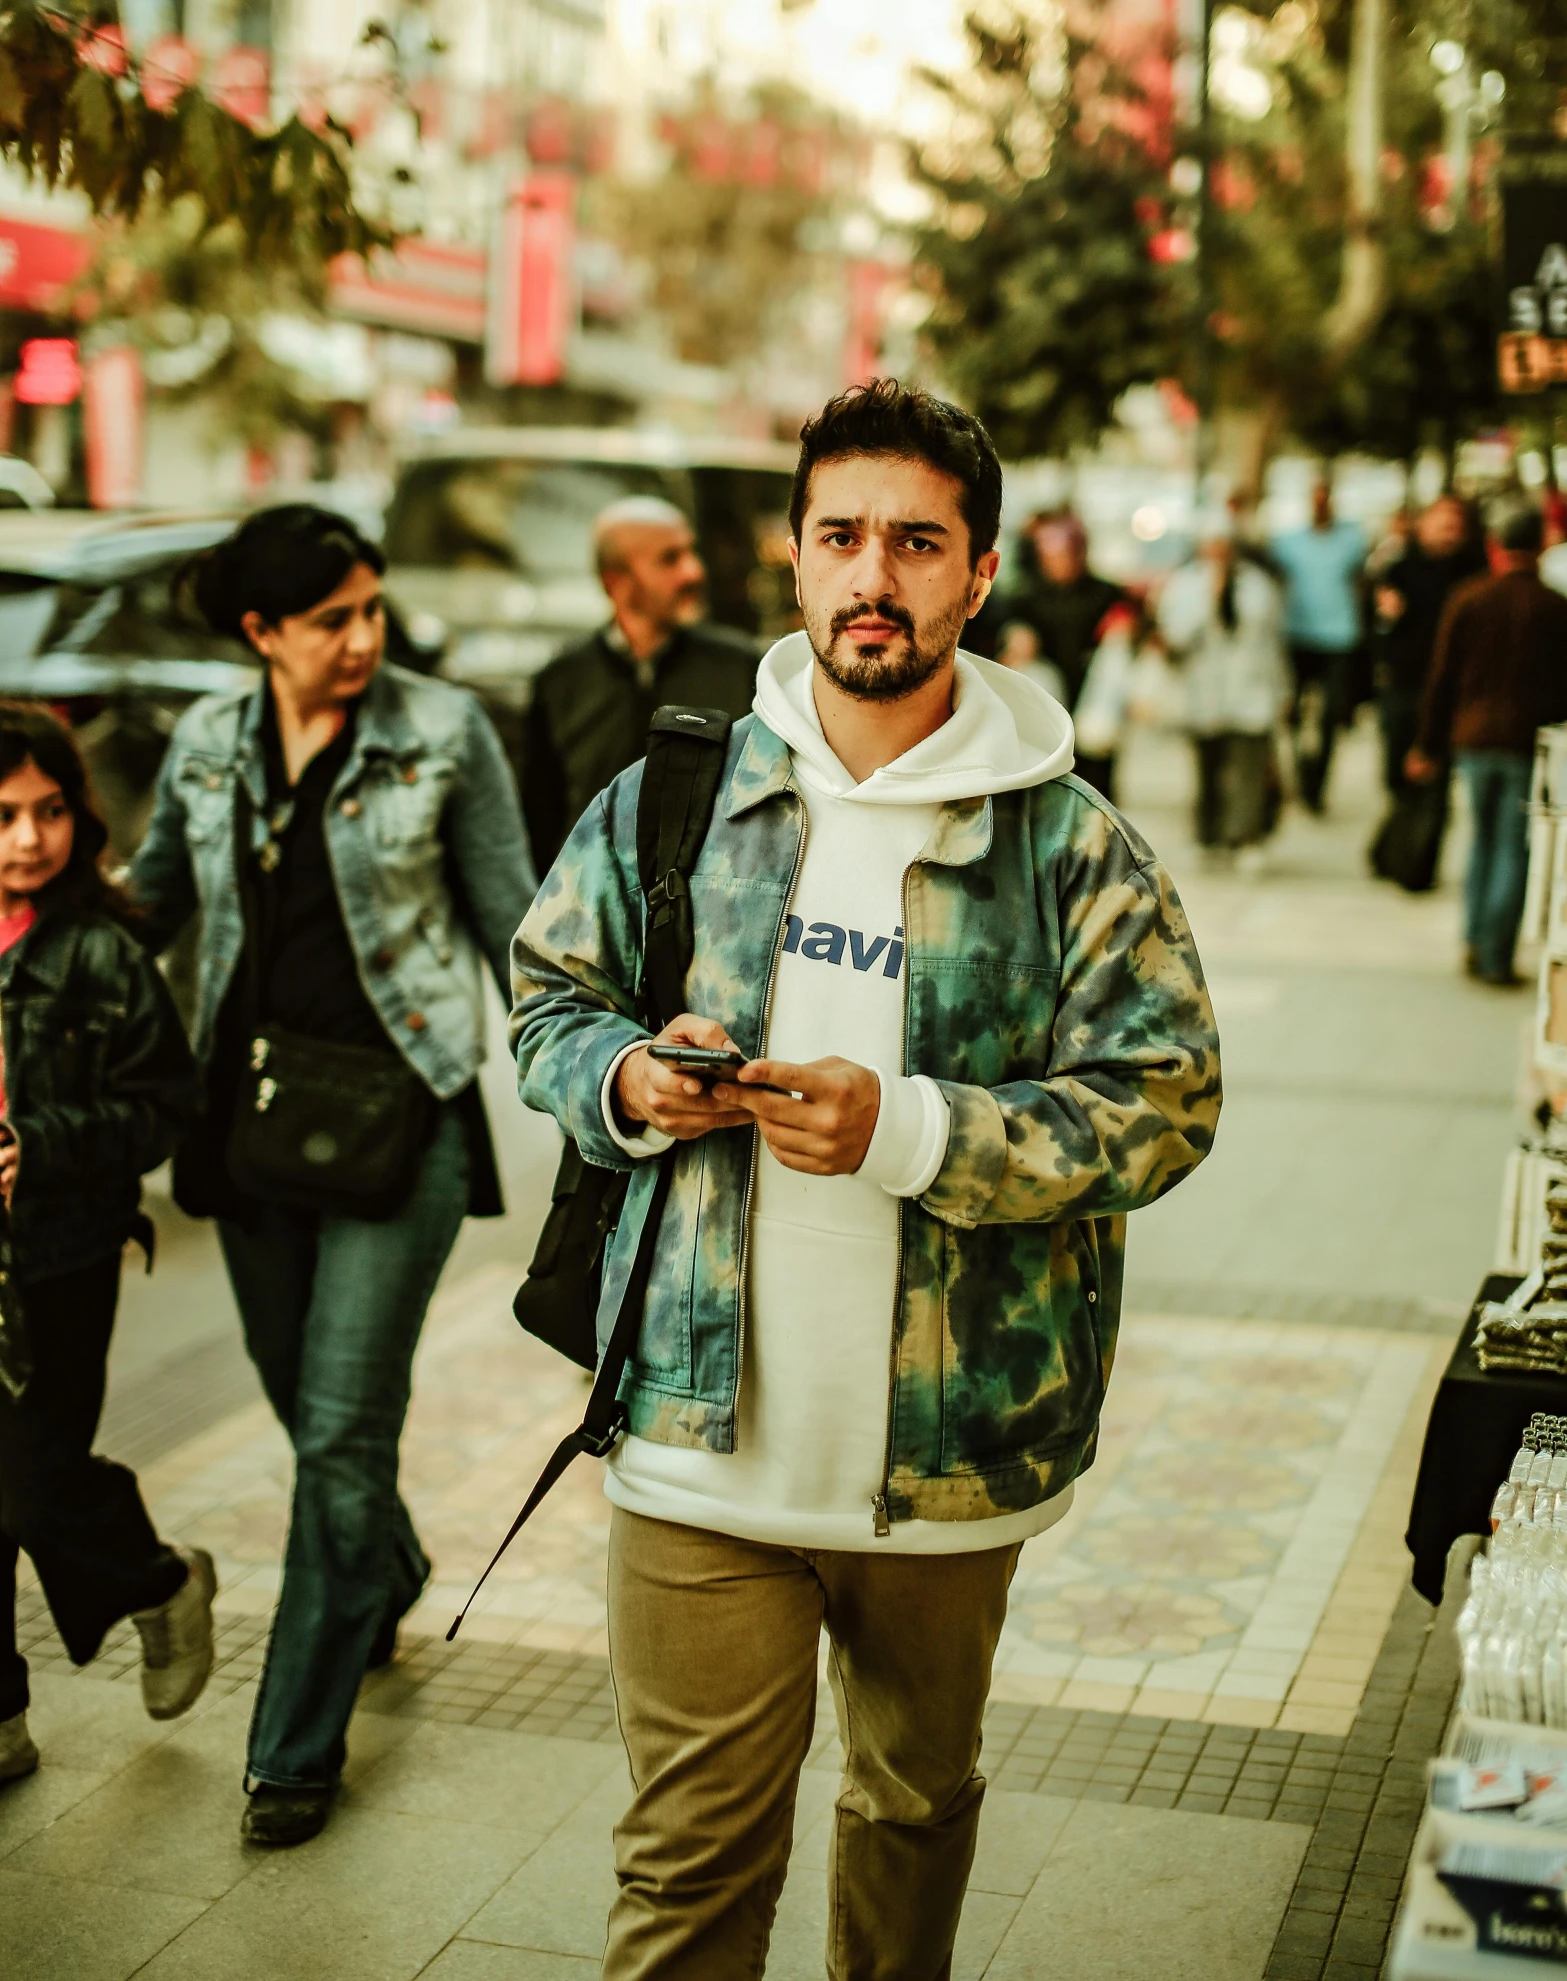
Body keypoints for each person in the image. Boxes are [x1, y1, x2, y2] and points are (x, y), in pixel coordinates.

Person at [512, 379, 1221, 1980]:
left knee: (907, 1815)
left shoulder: (1066, 842)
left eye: (914, 542)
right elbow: (547, 1003)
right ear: (788, 556)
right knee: (687, 1870)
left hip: (955, 1458)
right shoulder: (679, 794)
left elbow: (1165, 1100)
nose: (870, 577)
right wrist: (628, 1076)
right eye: (839, 536)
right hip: (694, 1447)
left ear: (977, 575)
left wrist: (907, 1130)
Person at [128, 506, 535, 1849]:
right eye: (330, 619)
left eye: (372, 608)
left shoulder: (443, 730)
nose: (366, 638)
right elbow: (150, 910)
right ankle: (390, 1565)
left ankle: (292, 1745)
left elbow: (515, 922)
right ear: (261, 633)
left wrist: (598, 1087)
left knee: (344, 1428)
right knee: (309, 1413)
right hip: (243, 1133)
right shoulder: (207, 745)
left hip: (394, 1125)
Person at [0, 704, 208, 1788]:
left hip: (63, 1255)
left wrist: (37, 1146)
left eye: (49, 813)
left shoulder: (101, 952)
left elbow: (161, 1107)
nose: (29, 840)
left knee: (29, 1482)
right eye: (3, 816)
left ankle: (158, 1580)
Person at [520, 497, 761, 872]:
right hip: (592, 897)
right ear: (616, 582)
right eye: (670, 559)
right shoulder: (561, 681)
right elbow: (540, 820)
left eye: (690, 553)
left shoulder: (739, 666)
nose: (694, 572)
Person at [1409, 498, 1567, 986]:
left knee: (1480, 840)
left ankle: (1475, 938)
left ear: (1495, 546)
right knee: (1510, 849)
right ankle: (1497, 951)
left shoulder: (1468, 598)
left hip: (1472, 738)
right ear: (1540, 546)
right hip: (1526, 742)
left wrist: (1426, 745)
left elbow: (1441, 678)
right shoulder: (1554, 608)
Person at [1159, 513, 1290, 864]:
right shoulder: (1185, 585)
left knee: (1249, 768)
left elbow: (1273, 640)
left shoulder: (1258, 585)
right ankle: (1208, 835)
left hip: (1252, 691)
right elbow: (1175, 637)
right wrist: (1210, 598)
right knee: (1208, 769)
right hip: (1204, 692)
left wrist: (1282, 690)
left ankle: (1246, 837)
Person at [1372, 494, 1485, 797]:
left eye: (1455, 526)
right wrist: (1385, 613)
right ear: (1423, 526)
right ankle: (1402, 826)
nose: (1449, 532)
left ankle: (1422, 838)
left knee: (1436, 776)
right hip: (1405, 679)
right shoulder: (1400, 568)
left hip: (1451, 685)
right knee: (1397, 769)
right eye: (1442, 524)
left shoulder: (1472, 574)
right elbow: (1377, 623)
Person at [1001, 511, 1124, 782]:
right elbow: (1007, 637)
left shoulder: (1104, 594)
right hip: (1050, 705)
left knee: (1096, 781)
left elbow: (1132, 629)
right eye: (1052, 556)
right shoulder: (1026, 598)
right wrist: (1017, 637)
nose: (1059, 563)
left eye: (1067, 554)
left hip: (1091, 700)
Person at [1270, 477, 1366, 813]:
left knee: (1331, 715)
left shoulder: (1352, 539)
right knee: (1293, 713)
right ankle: (1298, 773)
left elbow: (1360, 581)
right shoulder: (1288, 543)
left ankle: (1317, 784)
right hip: (1298, 633)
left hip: (1339, 635)